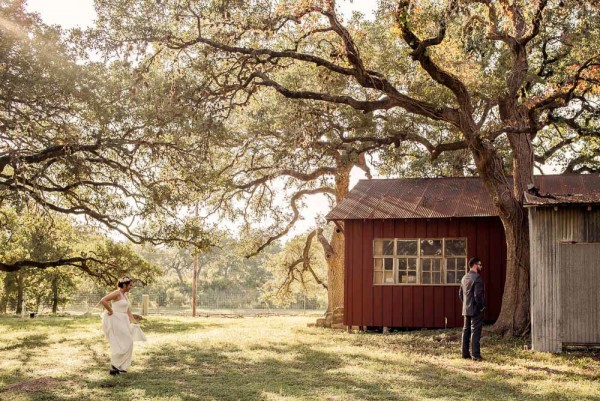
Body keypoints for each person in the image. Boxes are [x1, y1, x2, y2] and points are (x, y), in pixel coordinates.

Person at [100, 276, 137, 375]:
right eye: (130, 285)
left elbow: (127, 309)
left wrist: (133, 320)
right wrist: (111, 311)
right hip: (116, 319)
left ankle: (120, 367)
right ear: (124, 285)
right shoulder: (117, 293)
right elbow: (103, 300)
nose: (131, 287)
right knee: (123, 342)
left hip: (124, 320)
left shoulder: (124, 295)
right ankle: (115, 365)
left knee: (128, 342)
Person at [459, 257, 485, 361]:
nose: (481, 267)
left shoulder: (464, 278)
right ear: (475, 265)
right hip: (475, 309)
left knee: (466, 331)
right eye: (480, 265)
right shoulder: (477, 278)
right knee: (475, 331)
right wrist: (482, 306)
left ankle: (465, 354)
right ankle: (476, 355)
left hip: (466, 309)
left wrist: (465, 304)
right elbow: (477, 295)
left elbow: (460, 294)